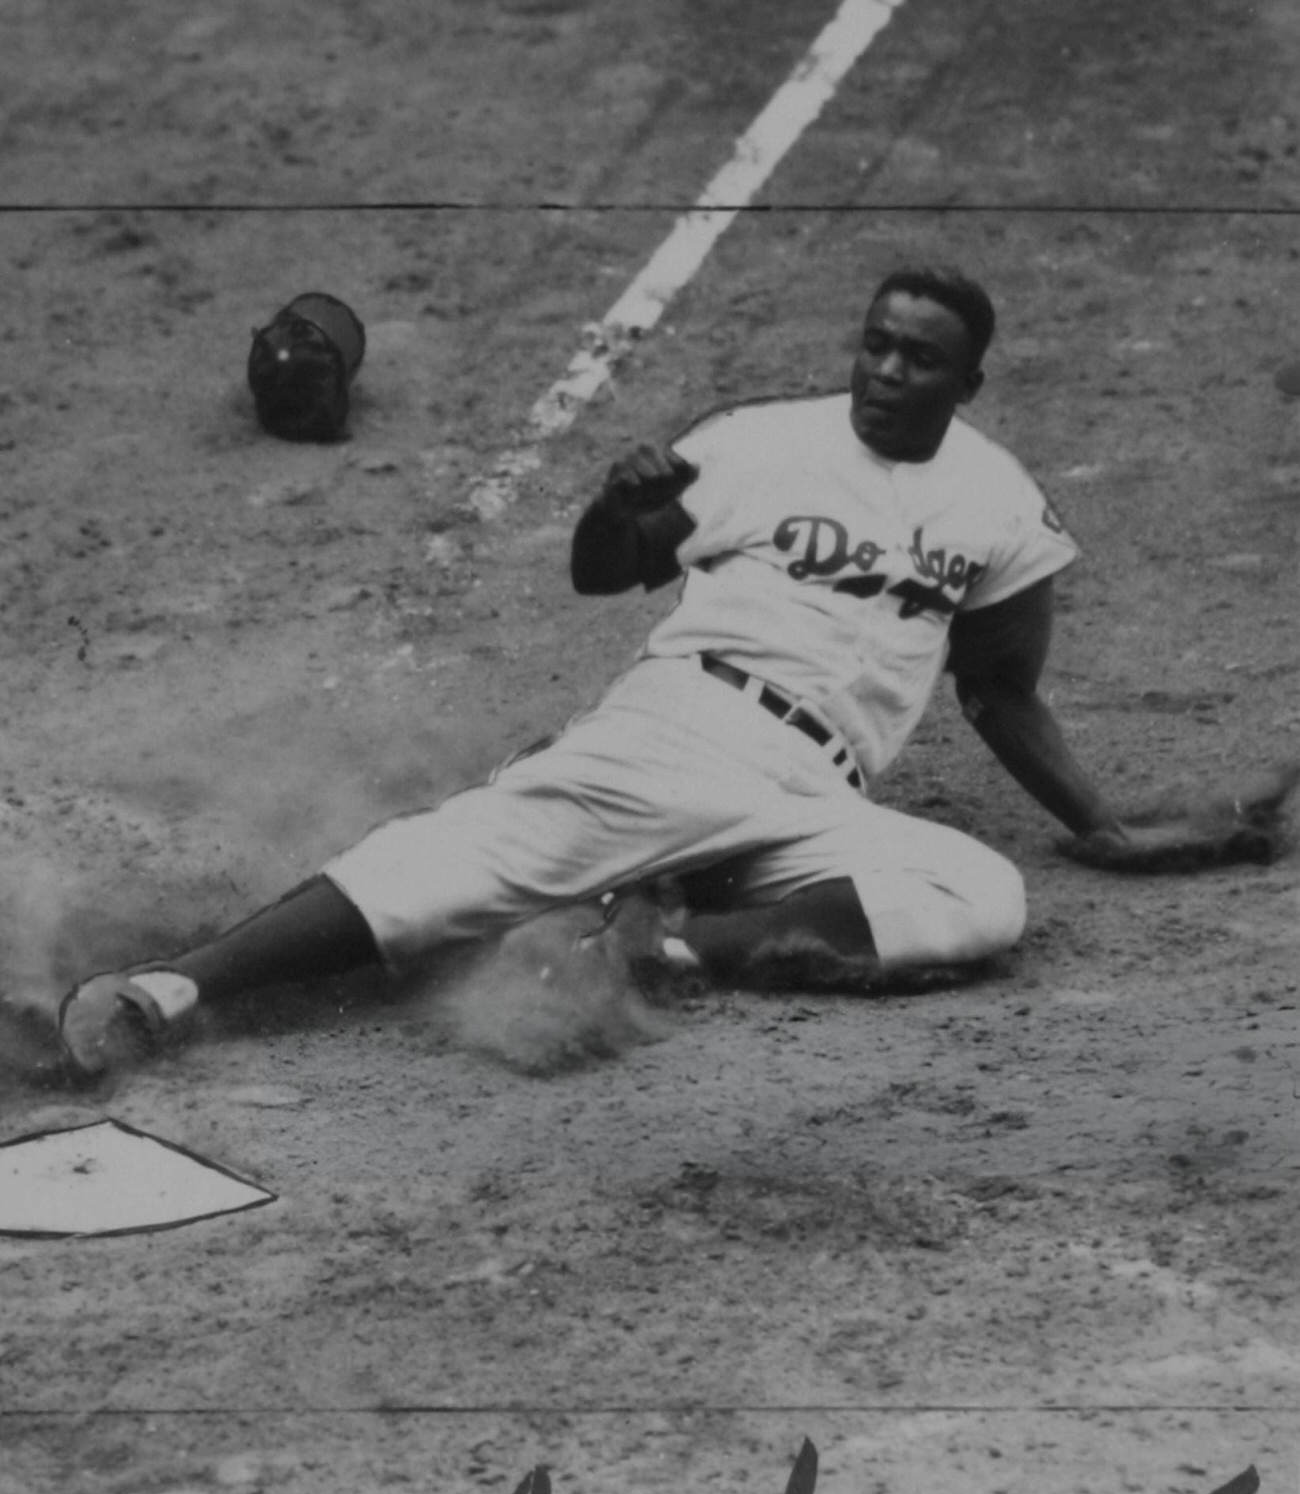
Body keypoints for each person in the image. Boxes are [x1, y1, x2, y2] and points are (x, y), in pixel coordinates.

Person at [56, 264, 1132, 1081]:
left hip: (817, 793)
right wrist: (613, 511)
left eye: (919, 358)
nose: (888, 371)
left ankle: (661, 941)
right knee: (459, 866)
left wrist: (1102, 822)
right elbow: (601, 574)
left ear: (967, 380)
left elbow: (1000, 689)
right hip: (688, 725)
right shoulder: (761, 441)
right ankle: (175, 984)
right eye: (876, 346)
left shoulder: (997, 501)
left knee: (982, 894)